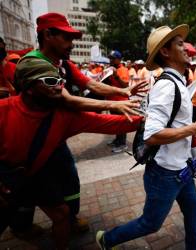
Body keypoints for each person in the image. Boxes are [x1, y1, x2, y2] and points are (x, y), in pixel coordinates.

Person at [9, 12, 146, 239]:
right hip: (30, 135)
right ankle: (23, 225)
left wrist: (123, 91)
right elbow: (67, 99)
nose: (71, 44)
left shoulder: (64, 64)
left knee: (69, 177)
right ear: (48, 35)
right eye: (66, 38)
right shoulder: (33, 62)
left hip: (58, 128)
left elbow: (91, 84)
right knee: (24, 184)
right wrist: (114, 105)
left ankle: (68, 218)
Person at [95, 24, 196, 250]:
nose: (188, 49)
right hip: (165, 174)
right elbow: (152, 135)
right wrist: (194, 128)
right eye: (180, 44)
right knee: (150, 224)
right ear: (165, 51)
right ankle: (107, 239)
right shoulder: (167, 86)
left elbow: (175, 123)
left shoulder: (178, 82)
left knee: (194, 207)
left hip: (183, 169)